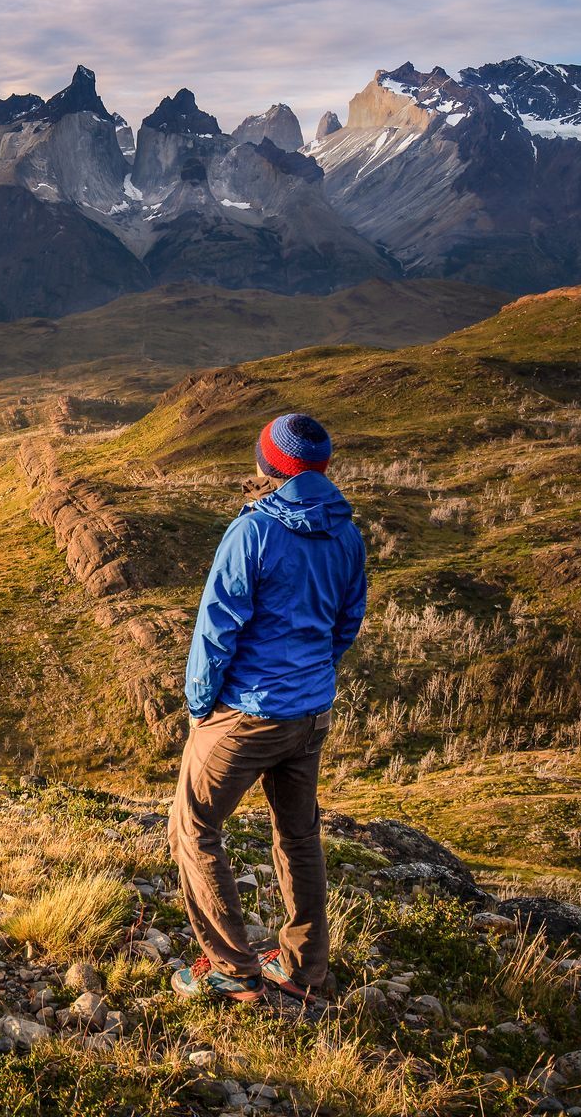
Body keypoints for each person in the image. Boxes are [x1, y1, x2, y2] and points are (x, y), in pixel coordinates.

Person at [167, 412, 367, 1002]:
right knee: (298, 834)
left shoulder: (253, 532)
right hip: (310, 714)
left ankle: (233, 967)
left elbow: (216, 629)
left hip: (249, 713)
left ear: (269, 466)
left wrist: (201, 704)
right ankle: (306, 971)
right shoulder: (346, 534)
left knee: (193, 825)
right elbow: (346, 623)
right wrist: (312, 675)